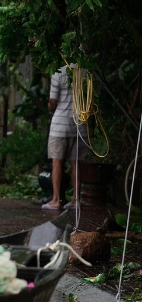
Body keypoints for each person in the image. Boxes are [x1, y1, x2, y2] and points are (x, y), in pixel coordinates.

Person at [44, 64, 87, 210]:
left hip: (60, 125)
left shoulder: (59, 73)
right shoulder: (86, 73)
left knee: (57, 163)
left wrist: (49, 105)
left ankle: (56, 200)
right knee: (76, 163)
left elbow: (53, 101)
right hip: (79, 124)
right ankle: (76, 200)